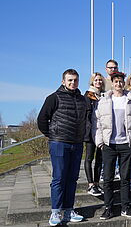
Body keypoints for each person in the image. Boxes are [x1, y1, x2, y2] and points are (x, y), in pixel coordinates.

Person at [37, 69, 87, 226]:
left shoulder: (82, 99)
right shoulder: (53, 98)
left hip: (77, 143)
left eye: (75, 80)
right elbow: (42, 119)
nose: (73, 83)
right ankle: (55, 212)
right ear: (63, 81)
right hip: (59, 142)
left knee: (72, 178)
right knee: (59, 178)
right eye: (70, 80)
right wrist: (53, 134)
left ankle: (68, 210)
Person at [92, 71, 131, 220]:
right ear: (112, 83)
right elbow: (97, 123)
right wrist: (100, 142)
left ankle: (125, 207)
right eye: (116, 82)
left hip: (126, 144)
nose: (119, 84)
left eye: (121, 81)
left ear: (124, 83)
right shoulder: (104, 100)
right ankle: (108, 208)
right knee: (107, 179)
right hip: (109, 145)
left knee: (125, 178)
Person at [84, 72, 106, 197]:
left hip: (102, 131)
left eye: (100, 80)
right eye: (96, 80)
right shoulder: (88, 95)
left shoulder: (103, 95)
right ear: (92, 82)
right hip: (90, 131)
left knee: (100, 158)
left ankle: (97, 183)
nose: (98, 82)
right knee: (89, 157)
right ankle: (90, 184)